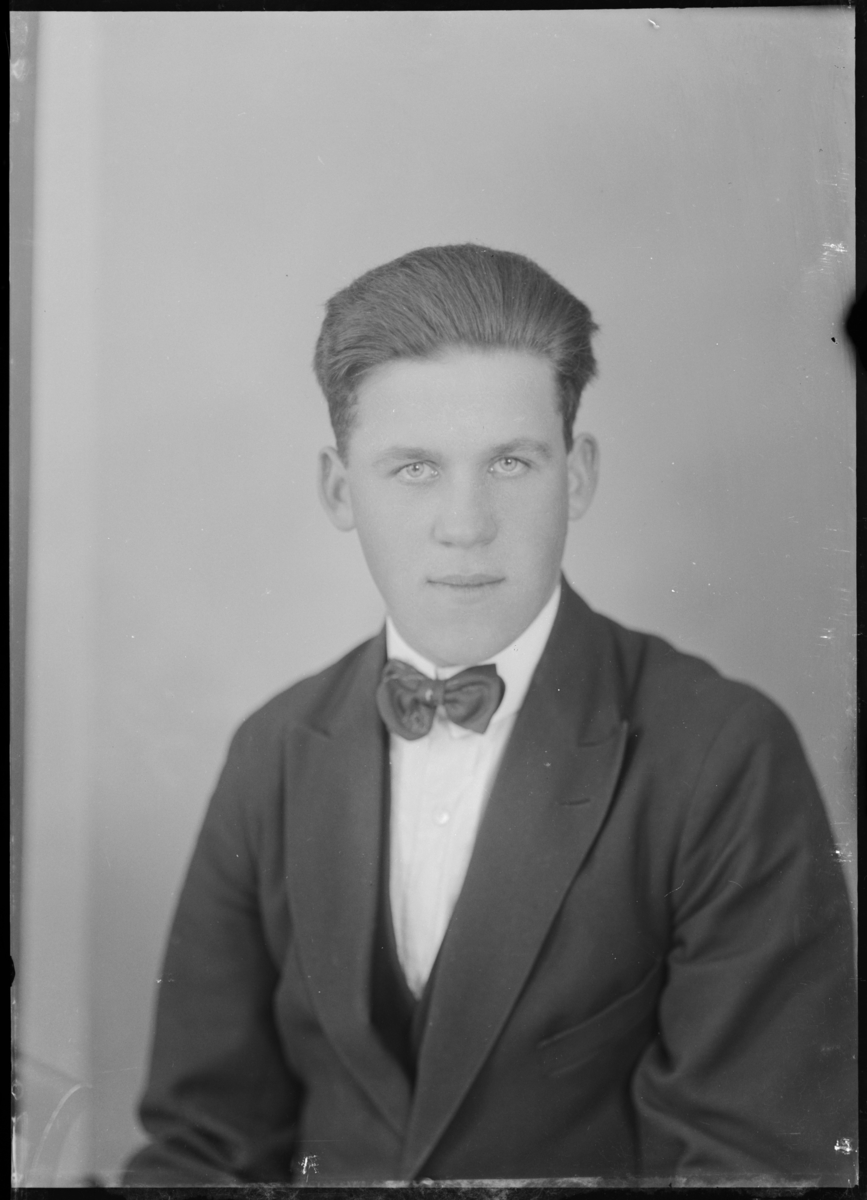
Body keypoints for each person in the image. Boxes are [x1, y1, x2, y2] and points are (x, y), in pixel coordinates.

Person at [124, 245, 856, 1187]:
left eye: (510, 462)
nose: (465, 525)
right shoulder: (272, 750)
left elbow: (754, 1169)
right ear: (341, 490)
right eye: (413, 468)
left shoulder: (724, 754)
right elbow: (200, 1150)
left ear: (576, 475)